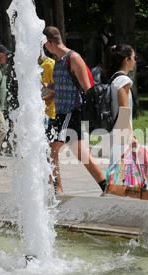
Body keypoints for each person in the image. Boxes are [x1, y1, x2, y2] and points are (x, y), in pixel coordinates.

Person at [43, 26, 106, 195]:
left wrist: (92, 114)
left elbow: (88, 88)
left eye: (45, 45)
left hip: (71, 111)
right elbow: (62, 86)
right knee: (81, 154)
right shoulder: (58, 59)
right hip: (61, 112)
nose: (44, 49)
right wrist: (46, 87)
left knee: (51, 149)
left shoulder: (73, 57)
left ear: (50, 42)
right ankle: (106, 186)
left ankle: (57, 189)